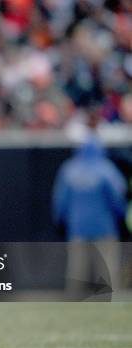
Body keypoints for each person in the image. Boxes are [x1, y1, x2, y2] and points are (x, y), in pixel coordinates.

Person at [52, 108, 127, 299]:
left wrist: (60, 221)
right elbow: (118, 199)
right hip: (104, 227)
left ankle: (73, 302)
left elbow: (60, 202)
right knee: (108, 271)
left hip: (78, 227)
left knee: (77, 272)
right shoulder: (106, 169)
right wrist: (121, 218)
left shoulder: (69, 169)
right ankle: (110, 302)